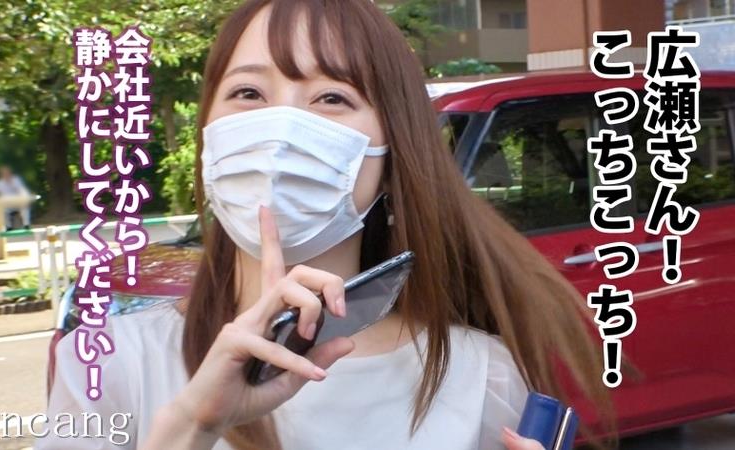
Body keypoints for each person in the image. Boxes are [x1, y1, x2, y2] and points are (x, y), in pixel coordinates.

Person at [42, 1, 613, 449]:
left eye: (332, 98)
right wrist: (192, 425)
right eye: (248, 92)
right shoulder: (106, 365)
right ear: (206, 139)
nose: (281, 126)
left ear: (393, 154)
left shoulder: (479, 373)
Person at [0, 165, 32, 230]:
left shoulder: (16, 180)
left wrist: (25, 198)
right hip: (7, 205)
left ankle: (26, 225)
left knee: (25, 207)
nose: (6, 175)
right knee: (2, 210)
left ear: (10, 173)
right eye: (4, 174)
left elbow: (22, 190)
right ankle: (8, 227)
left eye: (7, 173)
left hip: (18, 203)